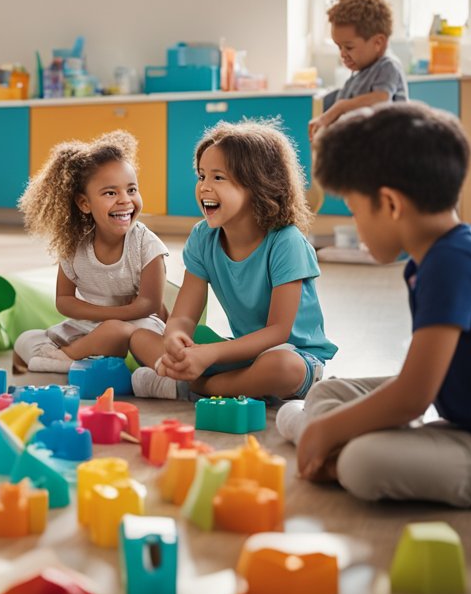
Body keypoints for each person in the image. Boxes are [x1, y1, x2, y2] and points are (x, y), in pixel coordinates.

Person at [280, 102, 471, 506]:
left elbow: (413, 396)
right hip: (465, 412)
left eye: (354, 209)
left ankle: (327, 441)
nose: (356, 225)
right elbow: (420, 384)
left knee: (360, 463)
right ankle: (324, 434)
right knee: (326, 394)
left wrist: (327, 432)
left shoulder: (452, 264)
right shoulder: (436, 256)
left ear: (390, 204)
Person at [129, 119, 335, 400]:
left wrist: (210, 354)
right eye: (202, 176)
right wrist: (175, 338)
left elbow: (278, 331)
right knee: (140, 338)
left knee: (280, 367)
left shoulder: (286, 242)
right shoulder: (203, 237)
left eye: (218, 177)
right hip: (241, 352)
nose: (204, 187)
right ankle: (222, 383)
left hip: (292, 355)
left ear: (258, 184)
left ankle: (194, 386)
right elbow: (185, 315)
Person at [13, 130, 169, 373]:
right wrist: (104, 315)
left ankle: (66, 358)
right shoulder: (75, 246)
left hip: (137, 327)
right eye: (110, 193)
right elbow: (64, 301)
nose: (125, 200)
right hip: (89, 326)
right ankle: (77, 359)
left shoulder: (146, 245)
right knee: (27, 337)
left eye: (131, 189)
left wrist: (114, 317)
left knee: (114, 331)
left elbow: (149, 304)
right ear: (84, 203)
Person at [308, 0, 407, 139]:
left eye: (349, 47)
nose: (342, 53)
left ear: (378, 43)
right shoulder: (357, 76)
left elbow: (381, 99)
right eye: (339, 46)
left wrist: (340, 108)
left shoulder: (388, 66)